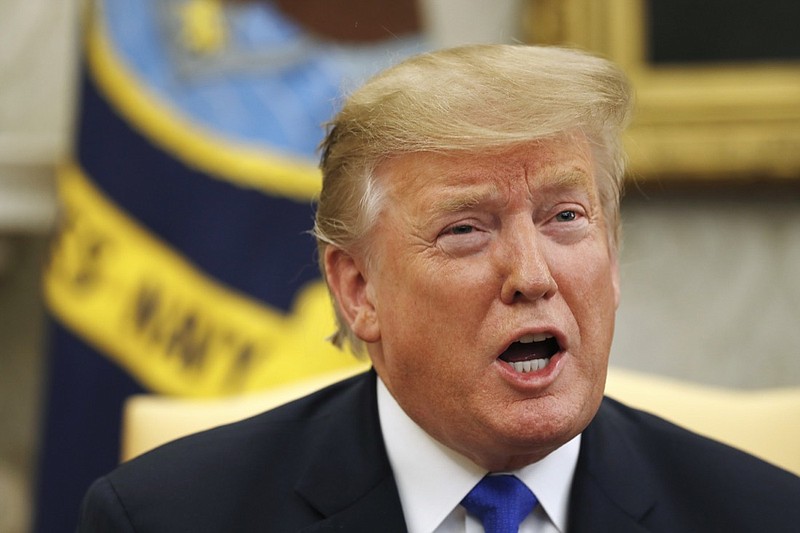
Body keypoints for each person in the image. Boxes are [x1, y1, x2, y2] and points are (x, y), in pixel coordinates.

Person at [77, 44, 800, 532]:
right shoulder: (167, 518)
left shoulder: (763, 514)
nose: (533, 274)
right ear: (358, 288)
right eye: (465, 229)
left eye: (566, 217)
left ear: (612, 259)